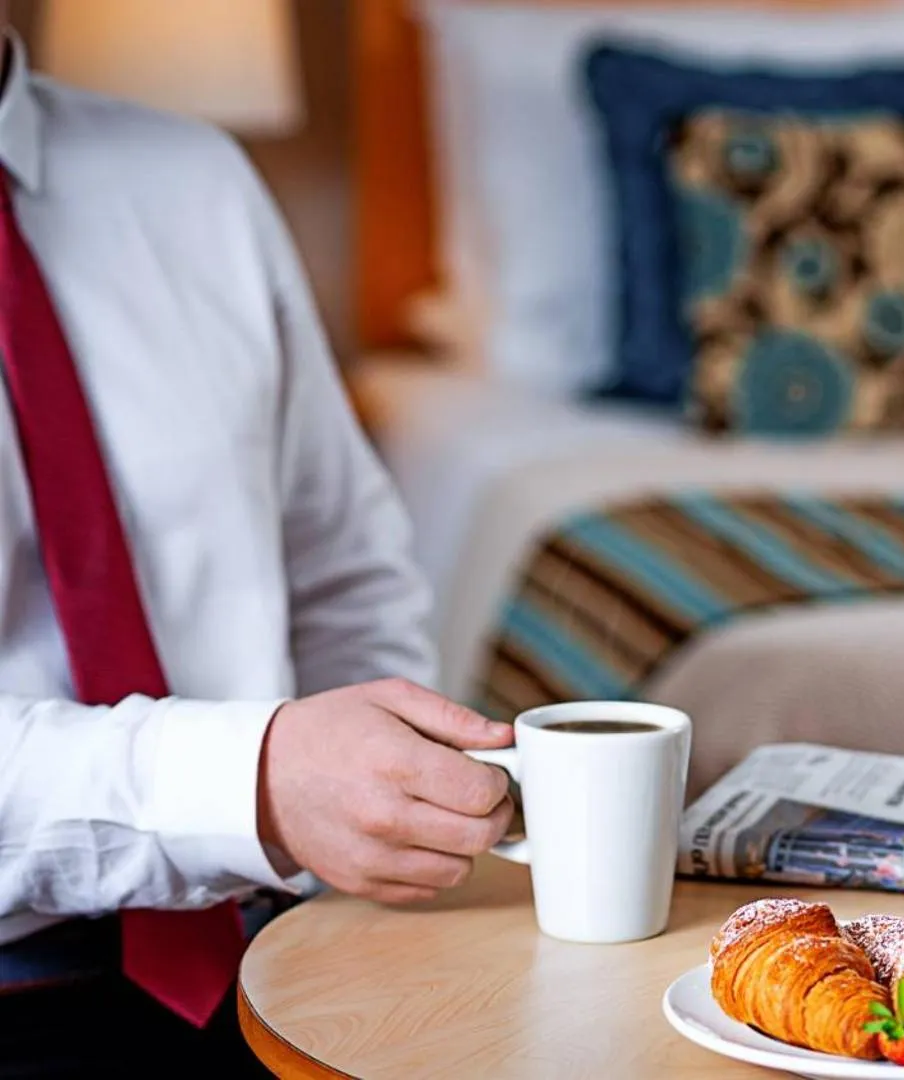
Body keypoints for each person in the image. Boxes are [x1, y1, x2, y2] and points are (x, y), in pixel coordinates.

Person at [0, 21, 518, 1074]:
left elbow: (341, 565)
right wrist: (255, 782)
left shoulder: (197, 181)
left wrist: (366, 840)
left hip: (274, 963)